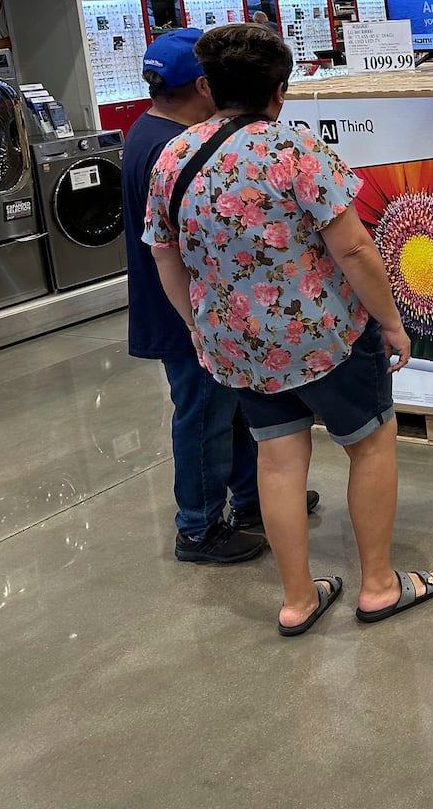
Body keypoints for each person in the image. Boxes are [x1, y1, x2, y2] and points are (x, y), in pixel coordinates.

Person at [145, 23, 433, 636]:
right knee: (369, 445)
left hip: (241, 347)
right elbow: (356, 249)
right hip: (326, 339)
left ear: (207, 85)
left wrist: (200, 330)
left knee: (277, 462)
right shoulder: (298, 152)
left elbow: (164, 256)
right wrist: (391, 321)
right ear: (280, 90)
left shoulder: (171, 158)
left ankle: (298, 600)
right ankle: (381, 587)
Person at [121, 29, 317, 564]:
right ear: (204, 86)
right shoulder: (174, 148)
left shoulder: (146, 131)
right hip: (189, 313)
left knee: (231, 413)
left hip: (185, 308)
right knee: (204, 417)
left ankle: (254, 499)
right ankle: (198, 527)